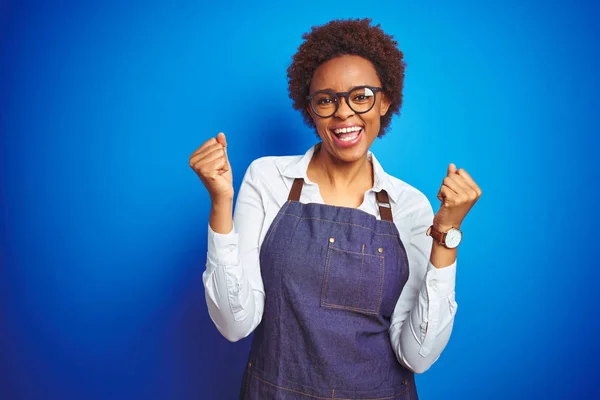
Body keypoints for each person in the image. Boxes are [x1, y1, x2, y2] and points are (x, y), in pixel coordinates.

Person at [189, 18, 481, 400]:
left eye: (361, 96)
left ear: (386, 101)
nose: (344, 113)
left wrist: (446, 238)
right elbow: (235, 324)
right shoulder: (267, 178)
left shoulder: (410, 206)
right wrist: (220, 203)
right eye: (326, 100)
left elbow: (418, 356)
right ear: (311, 111)